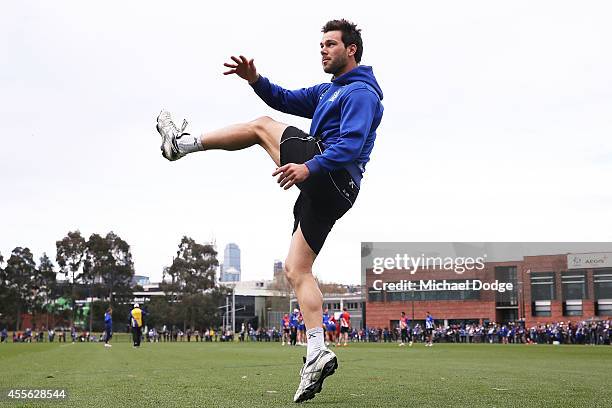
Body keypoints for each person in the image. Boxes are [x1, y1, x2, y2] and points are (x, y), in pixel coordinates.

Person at [155, 19, 382, 403]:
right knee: (297, 270)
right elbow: (286, 99)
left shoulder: (360, 93)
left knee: (261, 128)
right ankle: (316, 350)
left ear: (352, 50)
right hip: (332, 190)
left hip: (331, 175)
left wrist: (308, 167)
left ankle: (181, 144)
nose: (323, 50)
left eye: (330, 44)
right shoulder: (329, 91)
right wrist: (255, 79)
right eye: (321, 45)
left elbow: (351, 143)